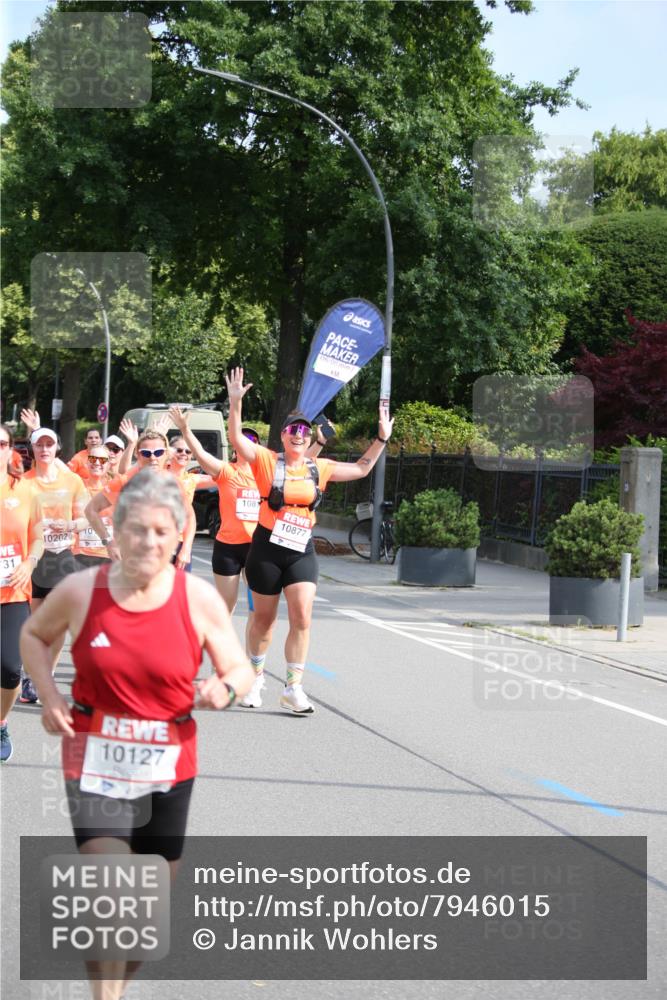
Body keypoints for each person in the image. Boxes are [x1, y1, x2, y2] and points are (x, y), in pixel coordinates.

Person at [20, 469, 254, 1000]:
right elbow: (33, 635)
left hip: (169, 763)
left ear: (178, 536)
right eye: (137, 530)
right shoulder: (83, 591)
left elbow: (239, 668)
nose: (148, 542)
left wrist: (225, 688)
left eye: (161, 531)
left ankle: (115, 988)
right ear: (117, 532)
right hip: (95, 756)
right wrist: (50, 697)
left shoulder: (197, 599)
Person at [225, 366, 393, 715]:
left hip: (301, 549)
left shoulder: (320, 468)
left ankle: (293, 688)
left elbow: (361, 468)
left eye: (303, 431)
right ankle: (255, 678)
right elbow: (237, 439)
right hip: (267, 548)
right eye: (293, 430)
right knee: (264, 621)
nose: (299, 435)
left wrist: (381, 439)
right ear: (283, 436)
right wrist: (236, 402)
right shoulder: (266, 461)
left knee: (302, 616)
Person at [21, 427, 89, 702]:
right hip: (32, 558)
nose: (45, 449)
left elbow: (87, 518)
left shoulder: (72, 481)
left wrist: (69, 525)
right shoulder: (22, 482)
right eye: (40, 445)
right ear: (33, 449)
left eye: (49, 444)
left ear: (57, 448)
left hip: (61, 556)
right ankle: (29, 675)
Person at [85, 429, 195, 570]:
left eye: (158, 452)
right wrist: (109, 542)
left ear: (166, 454)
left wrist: (186, 548)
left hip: (169, 553)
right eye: (146, 453)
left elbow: (190, 516)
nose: (153, 458)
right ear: (137, 454)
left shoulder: (173, 482)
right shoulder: (124, 482)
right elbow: (91, 510)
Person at [0, 424, 43, 761]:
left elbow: (38, 536)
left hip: (12, 593)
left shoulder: (25, 490)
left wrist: (29, 562)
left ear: (10, 448)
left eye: (1, 443)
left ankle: (0, 722)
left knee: (10, 668)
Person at [74, 446, 113, 568]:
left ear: (108, 465)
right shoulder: (76, 485)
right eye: (92, 458)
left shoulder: (113, 489)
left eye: (102, 460)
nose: (96, 463)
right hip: (80, 555)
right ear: (87, 462)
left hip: (107, 555)